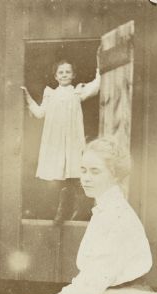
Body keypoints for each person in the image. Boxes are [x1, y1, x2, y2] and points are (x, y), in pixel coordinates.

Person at [16, 137, 157, 294]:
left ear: (115, 175)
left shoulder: (116, 217)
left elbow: (91, 285)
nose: (86, 178)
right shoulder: (106, 210)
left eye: (95, 171)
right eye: (83, 170)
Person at [21, 60, 100, 224]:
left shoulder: (77, 92)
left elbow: (96, 85)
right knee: (58, 174)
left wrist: (99, 67)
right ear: (56, 76)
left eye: (67, 72)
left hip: (71, 139)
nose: (64, 75)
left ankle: (76, 209)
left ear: (73, 75)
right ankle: (62, 209)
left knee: (73, 172)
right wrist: (27, 96)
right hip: (56, 141)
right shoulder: (50, 93)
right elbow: (39, 113)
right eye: (61, 72)